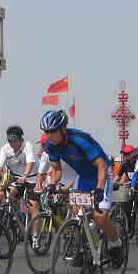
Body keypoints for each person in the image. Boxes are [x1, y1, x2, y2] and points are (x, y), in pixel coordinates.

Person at [40, 109, 125, 262]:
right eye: (47, 132)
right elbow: (57, 170)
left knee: (100, 219)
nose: (49, 136)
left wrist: (99, 188)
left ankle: (117, 244)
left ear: (63, 129)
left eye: (52, 131)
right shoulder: (51, 145)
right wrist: (53, 184)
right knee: (77, 214)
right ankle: (81, 251)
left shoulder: (81, 140)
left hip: (102, 174)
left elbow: (102, 167)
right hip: (82, 176)